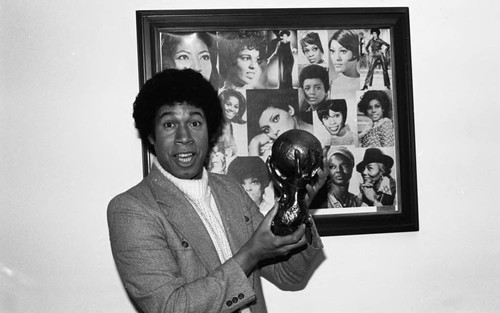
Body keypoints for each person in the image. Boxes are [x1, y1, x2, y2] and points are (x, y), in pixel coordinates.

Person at [107, 68, 325, 313]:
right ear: (150, 135)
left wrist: (296, 202)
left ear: (209, 131)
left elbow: (288, 274)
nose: (184, 136)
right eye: (169, 124)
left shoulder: (230, 189)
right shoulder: (131, 210)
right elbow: (170, 308)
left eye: (195, 123)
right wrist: (251, 254)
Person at [247, 89, 313, 161]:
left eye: (276, 119)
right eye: (267, 130)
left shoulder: (316, 135)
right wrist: (254, 142)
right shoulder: (275, 147)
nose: (274, 131)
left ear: (290, 110)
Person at [328, 29, 360, 100]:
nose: (337, 58)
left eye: (343, 51)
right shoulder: (330, 86)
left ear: (355, 53)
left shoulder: (364, 84)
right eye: (332, 51)